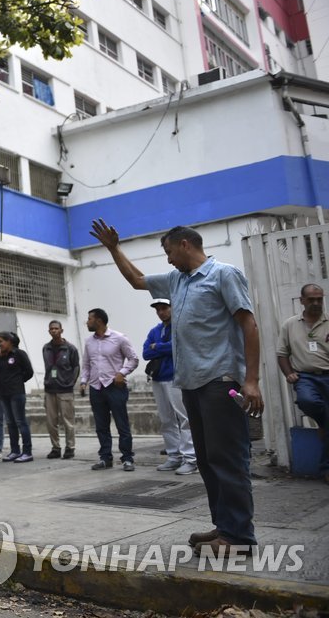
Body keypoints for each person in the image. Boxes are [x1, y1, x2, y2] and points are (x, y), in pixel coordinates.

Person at [90, 219, 263, 554]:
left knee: (228, 459)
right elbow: (138, 280)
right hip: (191, 384)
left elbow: (249, 324)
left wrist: (252, 380)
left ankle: (240, 537)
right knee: (208, 460)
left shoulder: (223, 274)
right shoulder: (177, 280)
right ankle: (225, 528)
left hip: (220, 381)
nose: (168, 260)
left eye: (169, 252)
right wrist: (113, 248)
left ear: (185, 245)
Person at [276, 283, 329, 486]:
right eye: (311, 299)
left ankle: (326, 469)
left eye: (319, 299)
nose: (316, 303)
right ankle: (324, 423)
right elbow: (282, 353)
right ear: (302, 301)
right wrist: (288, 373)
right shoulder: (290, 324)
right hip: (305, 377)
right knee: (307, 401)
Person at [79, 308, 139, 472]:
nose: (87, 322)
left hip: (115, 387)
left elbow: (133, 359)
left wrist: (122, 373)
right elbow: (86, 364)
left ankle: (127, 458)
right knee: (101, 425)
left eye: (90, 319)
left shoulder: (119, 338)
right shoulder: (89, 341)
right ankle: (105, 458)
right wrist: (84, 381)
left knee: (122, 424)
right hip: (96, 387)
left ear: (99, 320)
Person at [143, 298, 197, 475]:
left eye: (164, 308)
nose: (160, 312)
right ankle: (174, 457)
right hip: (159, 379)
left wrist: (157, 346)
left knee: (185, 418)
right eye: (158, 309)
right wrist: (165, 347)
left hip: (177, 377)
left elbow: (180, 346)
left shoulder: (180, 326)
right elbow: (145, 353)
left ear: (173, 307)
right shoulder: (155, 330)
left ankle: (191, 459)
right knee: (166, 420)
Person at [0, 332, 34, 463]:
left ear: (9, 341)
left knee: (21, 422)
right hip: (4, 394)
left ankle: (27, 452)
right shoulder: (0, 356)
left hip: (17, 393)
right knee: (10, 424)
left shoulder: (19, 354)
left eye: (1, 341)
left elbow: (29, 372)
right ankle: (15, 451)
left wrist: (17, 381)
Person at [41, 321, 79, 459]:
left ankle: (70, 447)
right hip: (50, 389)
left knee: (68, 421)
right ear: (48, 331)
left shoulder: (70, 348)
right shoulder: (46, 348)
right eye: (51, 329)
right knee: (51, 422)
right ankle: (55, 447)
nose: (54, 331)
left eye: (56, 328)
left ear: (61, 330)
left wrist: (70, 383)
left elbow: (76, 367)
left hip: (65, 390)